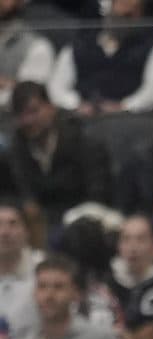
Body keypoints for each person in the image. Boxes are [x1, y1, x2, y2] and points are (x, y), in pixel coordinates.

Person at [9, 83, 116, 230]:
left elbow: (98, 196)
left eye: (33, 111)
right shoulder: (17, 148)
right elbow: (19, 193)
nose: (28, 120)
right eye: (21, 114)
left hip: (80, 222)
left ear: (51, 108)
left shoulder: (83, 141)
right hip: (35, 226)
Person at [49, 0, 153, 115]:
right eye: (116, 16)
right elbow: (57, 86)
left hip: (131, 121)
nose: (120, 21)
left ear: (140, 16)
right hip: (81, 117)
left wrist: (125, 106)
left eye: (127, 16)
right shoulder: (78, 46)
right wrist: (76, 105)